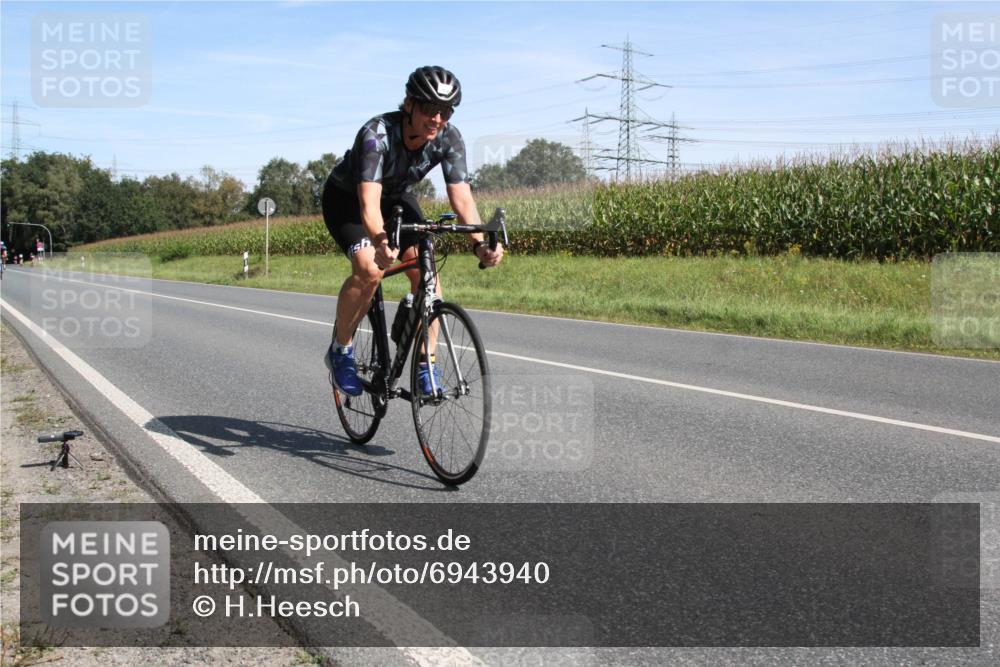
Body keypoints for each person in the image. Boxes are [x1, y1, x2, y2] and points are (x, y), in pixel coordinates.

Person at [322, 66, 504, 397]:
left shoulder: (449, 138)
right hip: (349, 199)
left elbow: (461, 195)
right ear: (409, 104)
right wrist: (379, 240)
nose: (436, 118)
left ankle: (425, 365)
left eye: (445, 111)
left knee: (428, 276)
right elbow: (368, 203)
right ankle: (341, 350)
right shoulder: (376, 134)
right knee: (369, 269)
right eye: (428, 108)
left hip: (396, 200)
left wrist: (479, 244)